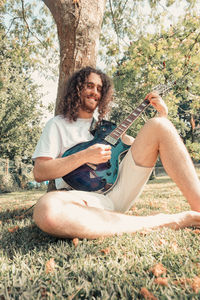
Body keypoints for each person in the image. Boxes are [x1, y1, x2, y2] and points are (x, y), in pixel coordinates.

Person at [32, 66, 200, 239]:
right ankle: (167, 221)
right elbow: (40, 172)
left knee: (159, 125)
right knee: (47, 209)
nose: (95, 92)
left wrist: (162, 115)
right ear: (77, 88)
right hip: (83, 200)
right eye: (89, 86)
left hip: (119, 190)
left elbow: (146, 146)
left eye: (99, 89)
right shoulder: (57, 125)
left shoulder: (107, 129)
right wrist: (85, 156)